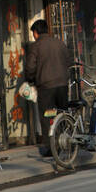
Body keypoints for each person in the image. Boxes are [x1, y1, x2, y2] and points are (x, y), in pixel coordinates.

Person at [24, 19, 71, 157]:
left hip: (46, 87)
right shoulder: (59, 42)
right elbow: (69, 60)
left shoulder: (36, 46)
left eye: (33, 33)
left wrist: (30, 79)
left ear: (36, 33)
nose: (33, 36)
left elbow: (30, 67)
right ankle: (66, 140)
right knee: (62, 113)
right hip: (62, 85)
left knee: (48, 116)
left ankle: (52, 147)